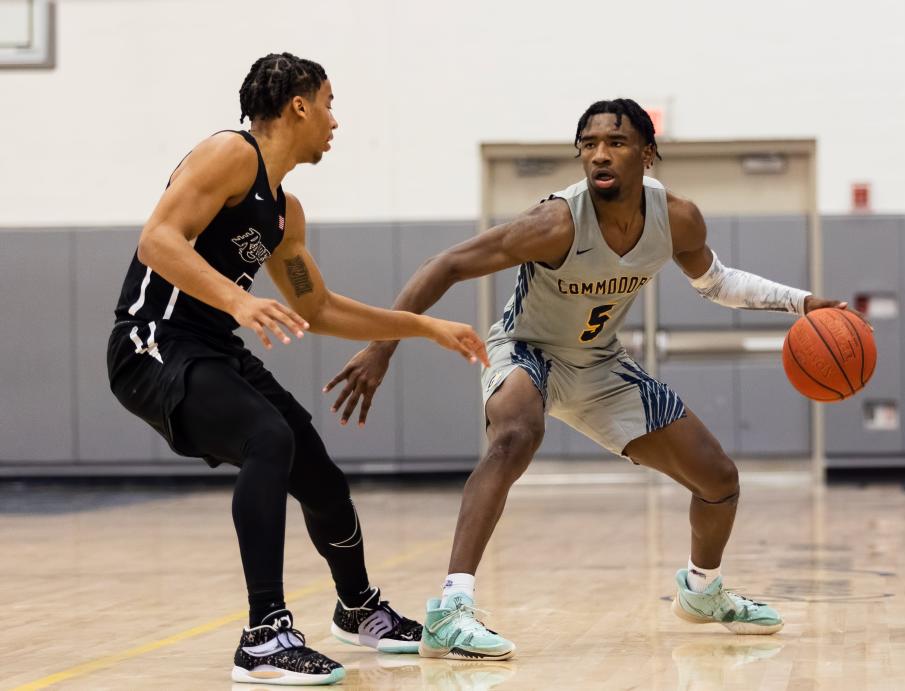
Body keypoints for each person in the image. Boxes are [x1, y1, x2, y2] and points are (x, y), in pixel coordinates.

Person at [326, 98, 850, 660]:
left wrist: (803, 304)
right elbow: (447, 264)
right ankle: (452, 609)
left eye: (616, 143)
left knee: (718, 478)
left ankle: (703, 591)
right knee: (515, 436)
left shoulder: (677, 218)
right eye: (589, 144)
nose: (599, 154)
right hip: (527, 350)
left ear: (647, 154)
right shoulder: (556, 223)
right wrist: (382, 347)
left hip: (600, 362)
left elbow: (716, 283)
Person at [107, 52, 488, 685]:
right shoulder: (229, 153)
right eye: (330, 104)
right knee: (269, 437)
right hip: (152, 341)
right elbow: (157, 240)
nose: (336, 121)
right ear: (299, 105)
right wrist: (236, 298)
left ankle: (358, 608)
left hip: (212, 347)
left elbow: (319, 306)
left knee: (316, 469)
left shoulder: (285, 212)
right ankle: (264, 637)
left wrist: (422, 326)